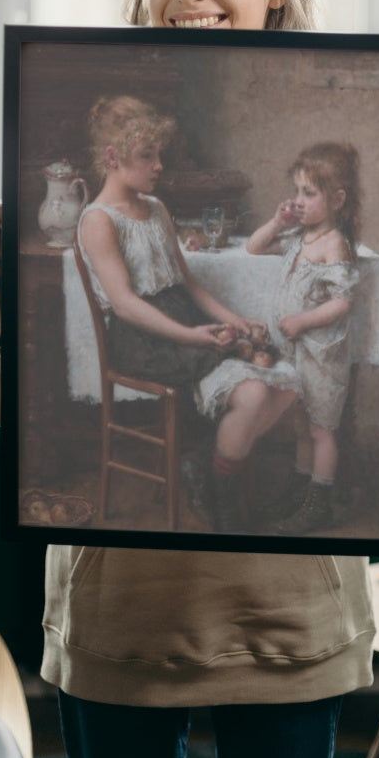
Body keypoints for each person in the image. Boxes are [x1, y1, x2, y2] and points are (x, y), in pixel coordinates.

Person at [0, 0, 379, 758]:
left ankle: (228, 476)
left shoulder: (182, 208)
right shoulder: (97, 216)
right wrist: (3, 328)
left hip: (285, 617)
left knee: (266, 374)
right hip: (124, 616)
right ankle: (212, 471)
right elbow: (26, 407)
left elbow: (217, 288)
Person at [77, 91, 302, 532]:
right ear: (112, 157)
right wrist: (193, 337)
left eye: (159, 154)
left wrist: (233, 321)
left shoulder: (157, 208)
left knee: (289, 381)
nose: (159, 165)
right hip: (143, 338)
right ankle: (219, 482)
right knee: (255, 392)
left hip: (182, 320)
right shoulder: (98, 220)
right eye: (147, 155)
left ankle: (207, 464)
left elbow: (190, 284)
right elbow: (124, 304)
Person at [247, 141, 364, 535]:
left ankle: (320, 502)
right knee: (300, 424)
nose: (298, 200)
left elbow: (343, 302)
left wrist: (302, 321)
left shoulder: (334, 243)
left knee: (321, 429)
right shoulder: (299, 236)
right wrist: (278, 222)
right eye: (296, 191)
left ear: (337, 199)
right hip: (295, 353)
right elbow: (254, 246)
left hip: (321, 354)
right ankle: (299, 490)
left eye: (308, 193)